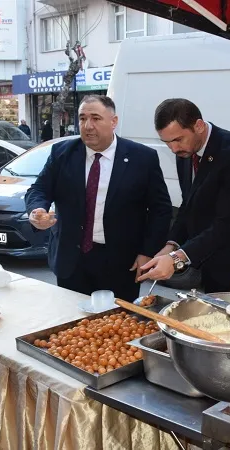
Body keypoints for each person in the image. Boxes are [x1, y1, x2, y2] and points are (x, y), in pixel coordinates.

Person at [25, 95, 172, 301]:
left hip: (121, 262)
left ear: (114, 122)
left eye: (95, 118)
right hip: (72, 260)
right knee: (70, 324)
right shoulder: (63, 153)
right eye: (82, 118)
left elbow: (161, 209)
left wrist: (147, 251)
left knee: (117, 326)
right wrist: (36, 210)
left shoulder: (142, 158)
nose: (88, 126)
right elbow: (39, 189)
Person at [139, 98, 230, 293]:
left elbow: (228, 223)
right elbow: (188, 205)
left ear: (199, 126)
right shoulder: (186, 152)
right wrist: (171, 245)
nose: (174, 149)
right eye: (167, 143)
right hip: (211, 261)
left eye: (178, 139)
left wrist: (177, 258)